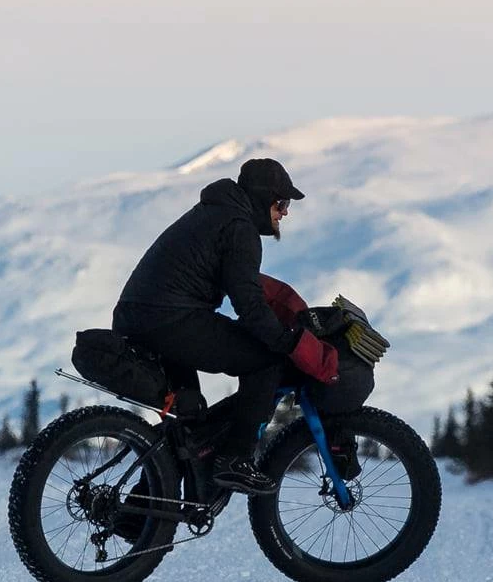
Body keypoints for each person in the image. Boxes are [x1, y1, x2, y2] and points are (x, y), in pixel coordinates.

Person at [111, 158, 338, 494]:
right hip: (169, 319)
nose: (285, 213)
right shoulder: (239, 228)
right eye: (282, 203)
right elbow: (248, 306)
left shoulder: (215, 213)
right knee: (266, 360)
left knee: (188, 427)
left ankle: (138, 521)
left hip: (142, 318)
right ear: (264, 199)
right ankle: (236, 460)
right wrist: (286, 342)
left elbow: (242, 288)